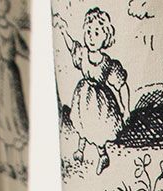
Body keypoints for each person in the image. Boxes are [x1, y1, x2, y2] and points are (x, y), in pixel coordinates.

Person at [53, 7, 130, 175]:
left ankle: (103, 156)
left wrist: (126, 108)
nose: (91, 37)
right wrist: (64, 31)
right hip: (84, 95)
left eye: (96, 33)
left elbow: (121, 85)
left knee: (97, 129)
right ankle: (80, 150)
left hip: (100, 101)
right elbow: (72, 46)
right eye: (88, 32)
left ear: (105, 37)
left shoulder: (107, 63)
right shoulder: (82, 53)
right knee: (82, 122)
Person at [0, 0, 29, 153]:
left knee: (14, 102)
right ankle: (6, 131)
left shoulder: (12, 29)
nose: (0, 8)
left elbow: (22, 49)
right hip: (3, 70)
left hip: (11, 70)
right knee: (3, 101)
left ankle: (16, 132)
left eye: (2, 5)